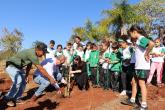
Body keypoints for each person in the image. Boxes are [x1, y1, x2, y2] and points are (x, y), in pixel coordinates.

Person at [4, 41, 56, 107]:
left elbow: (29, 65)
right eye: (43, 52)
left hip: (19, 68)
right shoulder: (32, 54)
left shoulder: (34, 54)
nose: (43, 54)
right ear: (38, 50)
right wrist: (50, 78)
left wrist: (26, 75)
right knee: (18, 80)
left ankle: (16, 98)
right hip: (11, 66)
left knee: (23, 82)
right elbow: (41, 69)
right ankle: (7, 98)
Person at [121, 25, 154, 110]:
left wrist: (147, 53)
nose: (130, 36)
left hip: (143, 66)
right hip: (138, 66)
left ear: (134, 32)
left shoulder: (140, 38)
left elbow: (151, 43)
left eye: (130, 34)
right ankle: (132, 100)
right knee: (134, 82)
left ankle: (144, 105)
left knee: (142, 84)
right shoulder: (138, 40)